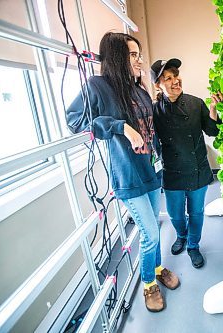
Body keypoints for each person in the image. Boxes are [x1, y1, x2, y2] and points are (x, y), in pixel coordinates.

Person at [66, 32, 179, 312]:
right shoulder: (98, 86)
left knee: (154, 225)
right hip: (128, 176)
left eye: (139, 54)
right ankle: (148, 285)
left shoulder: (139, 90)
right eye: (133, 55)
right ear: (117, 57)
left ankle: (158, 267)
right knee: (150, 233)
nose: (140, 61)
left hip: (151, 171)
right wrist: (119, 126)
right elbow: (74, 120)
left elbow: (149, 129)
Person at [151, 58, 223, 269]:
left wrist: (213, 109)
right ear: (158, 85)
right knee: (174, 213)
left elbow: (212, 130)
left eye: (176, 76)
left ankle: (193, 245)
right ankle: (181, 235)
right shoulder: (154, 111)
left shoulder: (195, 103)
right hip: (172, 171)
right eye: (168, 78)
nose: (176, 81)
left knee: (197, 212)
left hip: (197, 168)